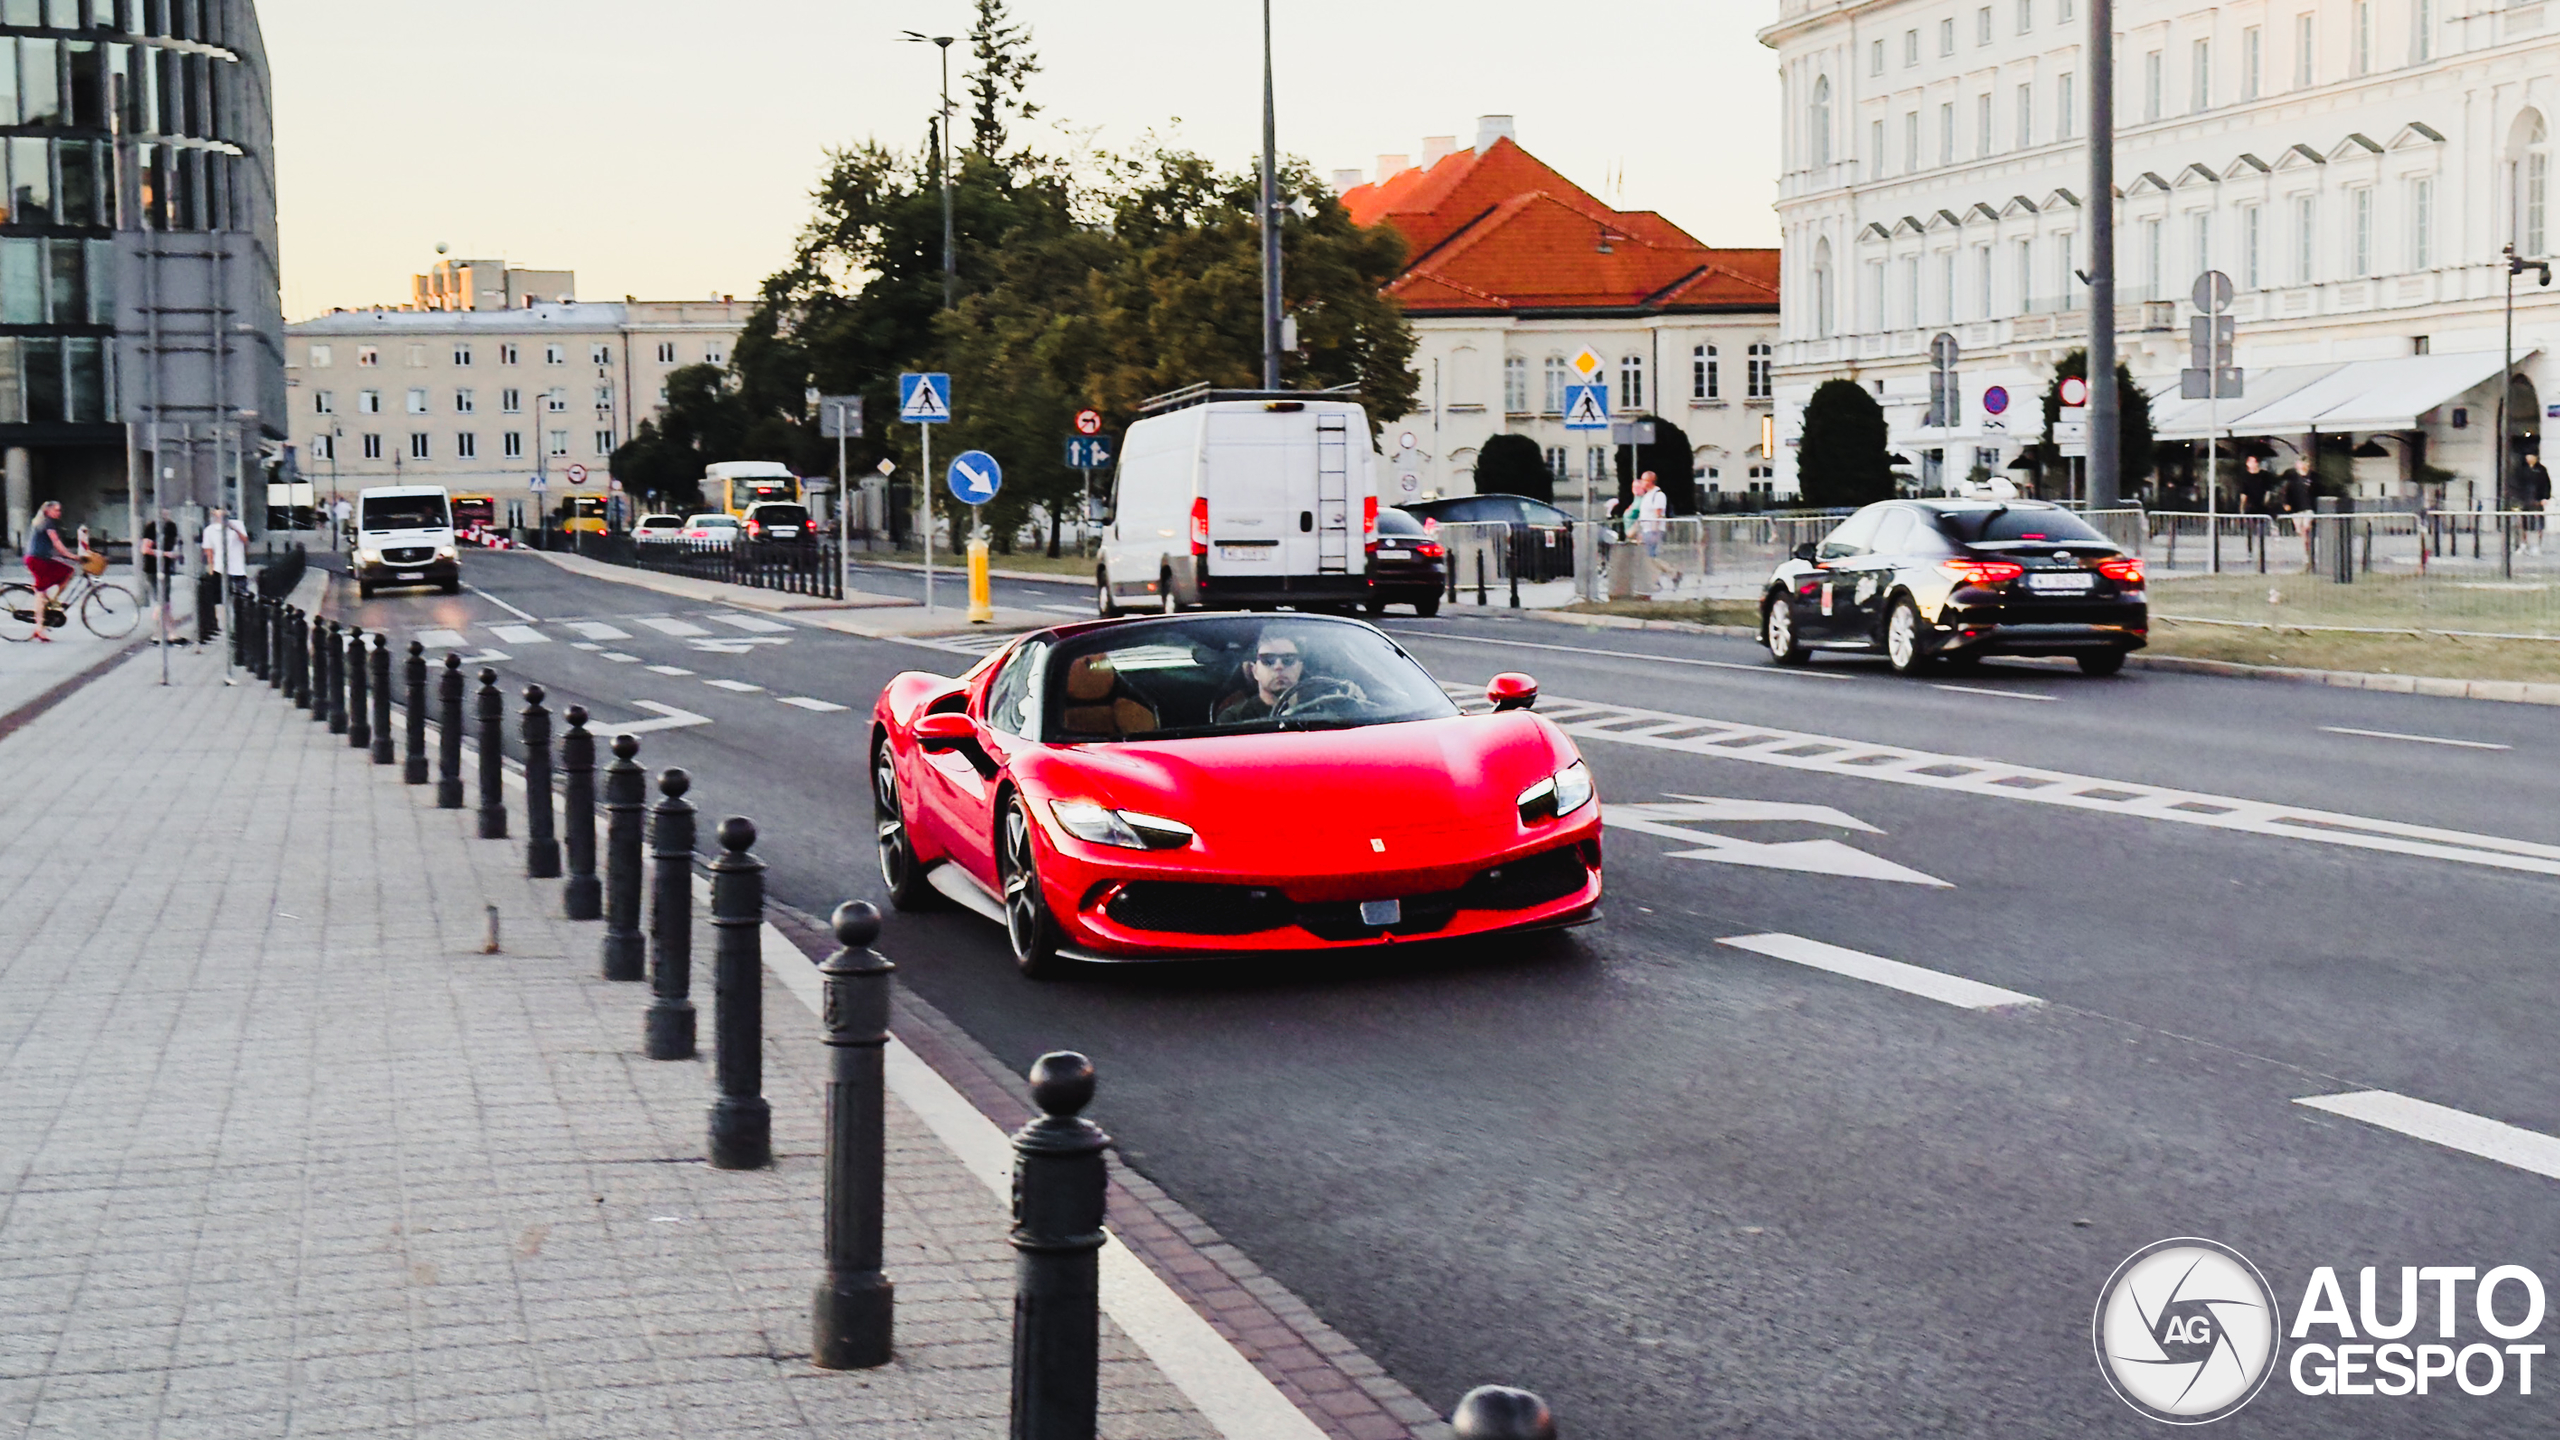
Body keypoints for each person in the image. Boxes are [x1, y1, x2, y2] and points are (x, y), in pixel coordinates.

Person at [1213, 628, 1366, 723]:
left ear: (1299, 667)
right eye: (1268, 660)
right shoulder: (1234, 718)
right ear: (1254, 671)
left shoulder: (1327, 707)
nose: (1279, 666)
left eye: (1288, 660)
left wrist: (1358, 704)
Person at [21, 498, 78, 642]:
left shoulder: (42, 522)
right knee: (41, 591)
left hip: (37, 559)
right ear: (48, 511)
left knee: (66, 572)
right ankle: (39, 628)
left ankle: (51, 602)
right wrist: (71, 556)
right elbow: (56, 542)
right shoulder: (48, 522)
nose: (59, 512)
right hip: (37, 560)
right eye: (57, 510)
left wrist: (66, 555)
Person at [200, 506, 248, 644]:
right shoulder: (210, 530)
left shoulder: (237, 524)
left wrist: (234, 528)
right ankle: (227, 627)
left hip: (237, 568)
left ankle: (240, 626)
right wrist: (211, 567)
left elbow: (245, 542)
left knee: (241, 599)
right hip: (220, 569)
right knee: (221, 600)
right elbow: (208, 550)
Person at [1630, 470, 1678, 591]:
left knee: (1649, 557)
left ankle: (1664, 576)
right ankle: (1667, 575)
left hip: (1653, 530)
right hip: (1646, 530)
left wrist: (1655, 531)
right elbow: (1643, 515)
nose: (1641, 482)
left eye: (1643, 480)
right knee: (1648, 557)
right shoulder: (1647, 496)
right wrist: (1638, 531)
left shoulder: (1658, 495)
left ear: (1650, 481)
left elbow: (1658, 514)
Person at [2273, 453, 2318, 571]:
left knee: (2305, 528)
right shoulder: (2291, 477)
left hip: (2308, 509)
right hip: (2295, 509)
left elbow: (2317, 493)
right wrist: (2285, 503)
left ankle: (2307, 554)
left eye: (2305, 463)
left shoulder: (2312, 478)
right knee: (2300, 530)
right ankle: (2306, 550)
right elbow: (2284, 491)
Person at [2512, 448, 2552, 556]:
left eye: (2532, 456)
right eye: (2528, 456)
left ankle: (2536, 545)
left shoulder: (2541, 470)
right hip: (2523, 499)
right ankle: (2522, 544)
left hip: (2537, 500)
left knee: (2538, 524)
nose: (2530, 459)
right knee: (2521, 524)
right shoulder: (2520, 469)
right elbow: (2515, 485)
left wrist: (2545, 498)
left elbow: (2546, 485)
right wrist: (2516, 500)